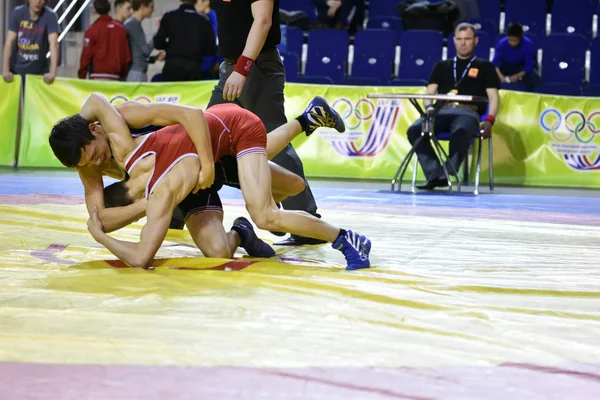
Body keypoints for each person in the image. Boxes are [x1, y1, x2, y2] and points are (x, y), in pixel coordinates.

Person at [48, 94, 371, 270]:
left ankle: (305, 121)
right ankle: (242, 232)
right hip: (185, 173)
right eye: (86, 164)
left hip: (207, 149)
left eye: (93, 154)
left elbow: (190, 114)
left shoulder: (122, 119)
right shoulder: (101, 168)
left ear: (94, 129)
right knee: (220, 249)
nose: (96, 163)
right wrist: (148, 204)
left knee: (290, 188)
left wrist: (206, 166)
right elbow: (100, 219)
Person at [208, 0, 323, 246]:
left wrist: (242, 68)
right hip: (232, 67)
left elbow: (263, 21)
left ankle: (306, 222)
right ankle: (179, 213)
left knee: (275, 141)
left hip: (254, 66)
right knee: (206, 140)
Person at [407, 22, 500, 190]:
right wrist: (428, 109)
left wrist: (490, 120)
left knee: (461, 130)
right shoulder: (442, 66)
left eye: (467, 39)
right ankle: (436, 174)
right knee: (415, 129)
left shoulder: (485, 66)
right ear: (454, 41)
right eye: (459, 39)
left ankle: (448, 171)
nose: (463, 43)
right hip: (441, 112)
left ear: (475, 41)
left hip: (467, 113)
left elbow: (493, 96)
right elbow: (429, 95)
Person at [153, 0, 216, 82]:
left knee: (173, 94)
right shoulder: (204, 20)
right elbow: (210, 49)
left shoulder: (169, 16)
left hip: (172, 67)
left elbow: (158, 43)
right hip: (194, 68)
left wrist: (172, 47)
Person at [2, 0, 60, 84]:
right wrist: (5, 70)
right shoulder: (17, 13)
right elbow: (9, 41)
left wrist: (52, 72)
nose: (38, 2)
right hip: (16, 72)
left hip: (39, 73)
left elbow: (54, 44)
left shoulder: (51, 16)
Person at [79, 0, 131, 81]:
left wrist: (82, 75)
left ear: (95, 10)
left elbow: (86, 55)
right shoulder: (121, 30)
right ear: (110, 8)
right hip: (116, 77)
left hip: (97, 77)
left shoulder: (91, 30)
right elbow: (126, 57)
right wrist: (123, 75)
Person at [124, 0, 164, 82]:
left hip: (137, 72)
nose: (153, 10)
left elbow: (138, 54)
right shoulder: (133, 24)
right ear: (142, 7)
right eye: (151, 6)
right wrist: (159, 32)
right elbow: (146, 51)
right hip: (136, 73)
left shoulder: (134, 24)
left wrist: (154, 58)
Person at [492, 22, 540, 91]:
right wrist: (501, 77)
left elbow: (529, 65)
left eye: (515, 40)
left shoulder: (528, 44)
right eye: (510, 40)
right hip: (505, 66)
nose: (512, 43)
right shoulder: (502, 44)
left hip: (521, 67)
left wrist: (517, 76)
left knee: (534, 78)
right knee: (491, 76)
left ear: (520, 38)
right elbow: (495, 64)